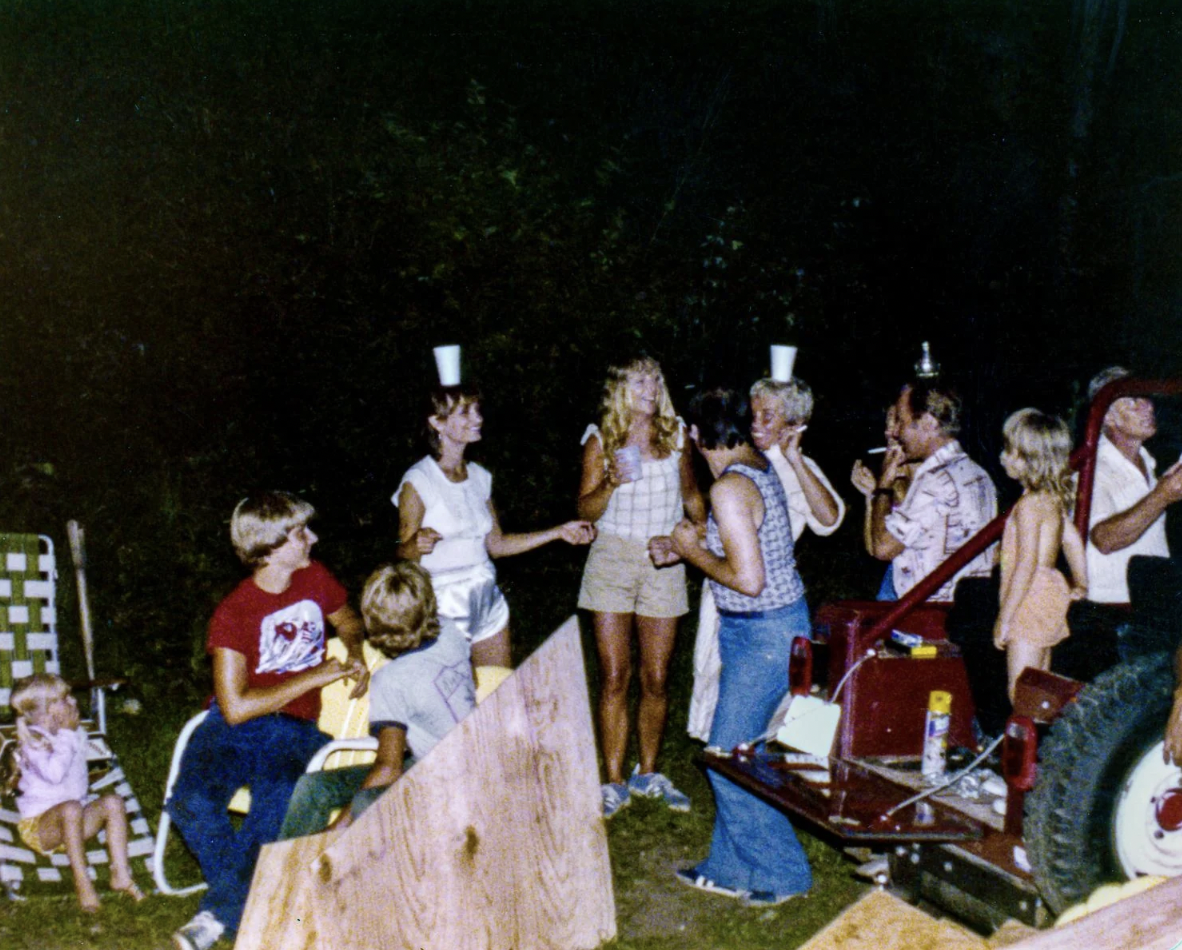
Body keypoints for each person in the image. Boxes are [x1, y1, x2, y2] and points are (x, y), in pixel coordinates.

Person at [169, 492, 369, 950]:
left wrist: (354, 652)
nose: (313, 539)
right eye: (301, 533)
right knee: (191, 801)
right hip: (232, 725)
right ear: (270, 547)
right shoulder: (234, 613)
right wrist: (313, 676)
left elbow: (350, 621)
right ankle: (247, 911)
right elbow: (236, 707)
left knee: (277, 798)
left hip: (293, 729)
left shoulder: (315, 578)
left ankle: (220, 915)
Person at [651, 387, 812, 907]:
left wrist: (692, 551)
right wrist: (681, 552)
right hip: (761, 629)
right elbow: (743, 546)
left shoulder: (729, 488)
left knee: (726, 755)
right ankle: (727, 866)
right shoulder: (753, 465)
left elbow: (747, 579)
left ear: (697, 436)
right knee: (743, 750)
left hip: (765, 631)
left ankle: (784, 873)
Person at [576, 356, 705, 817]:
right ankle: (612, 781)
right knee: (615, 676)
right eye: (638, 380)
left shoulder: (675, 435)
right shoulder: (601, 438)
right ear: (619, 389)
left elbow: (691, 496)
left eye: (654, 378)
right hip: (611, 556)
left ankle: (647, 771)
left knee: (656, 677)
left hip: (664, 558)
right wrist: (609, 482)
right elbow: (586, 511)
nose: (650, 386)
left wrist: (700, 536)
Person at [687, 375, 844, 742]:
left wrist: (796, 458)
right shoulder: (749, 462)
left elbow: (830, 520)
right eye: (752, 413)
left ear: (793, 424)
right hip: (736, 599)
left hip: (762, 602)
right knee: (726, 701)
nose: (755, 423)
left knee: (749, 725)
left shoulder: (779, 468)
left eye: (767, 416)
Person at [394, 382, 594, 669]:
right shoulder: (418, 481)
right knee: (452, 702)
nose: (478, 418)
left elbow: (497, 546)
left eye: (477, 410)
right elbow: (402, 557)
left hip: (487, 600)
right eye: (465, 412)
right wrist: (414, 545)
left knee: (497, 692)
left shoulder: (479, 477)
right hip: (442, 607)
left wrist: (557, 532)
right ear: (437, 422)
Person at [279, 561, 476, 838]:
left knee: (363, 802)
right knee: (315, 788)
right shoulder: (448, 631)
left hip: (444, 779)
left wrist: (332, 835)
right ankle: (290, 867)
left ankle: (310, 862)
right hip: (469, 755)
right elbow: (473, 682)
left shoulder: (391, 681)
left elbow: (388, 767)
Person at [3, 674, 145, 913]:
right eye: (64, 698)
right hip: (41, 828)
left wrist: (71, 734)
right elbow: (55, 775)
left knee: (113, 802)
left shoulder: (73, 733)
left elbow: (77, 774)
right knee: (70, 808)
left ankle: (120, 873)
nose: (73, 701)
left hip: (76, 823)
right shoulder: (32, 742)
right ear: (46, 712)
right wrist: (67, 734)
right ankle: (83, 882)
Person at [851, 380, 997, 602]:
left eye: (902, 421)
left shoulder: (935, 482)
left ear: (928, 423)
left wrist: (883, 487)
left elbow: (882, 547)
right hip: (966, 610)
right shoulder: (979, 474)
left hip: (928, 615)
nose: (896, 431)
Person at [993, 410, 1088, 701]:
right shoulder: (1051, 500)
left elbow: (1026, 564)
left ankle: (1035, 741)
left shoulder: (1029, 506)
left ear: (1029, 459)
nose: (1002, 456)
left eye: (1010, 451)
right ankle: (1048, 740)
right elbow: (1072, 540)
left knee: (1020, 692)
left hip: (1028, 598)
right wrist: (1081, 582)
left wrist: (1005, 619)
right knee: (1039, 685)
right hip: (1050, 591)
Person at [1084, 366, 1182, 605]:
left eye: (1146, 399)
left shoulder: (1148, 462)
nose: (1147, 407)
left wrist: (1164, 490)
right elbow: (1104, 539)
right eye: (1132, 402)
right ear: (1107, 416)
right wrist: (1162, 495)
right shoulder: (1094, 468)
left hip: (1152, 603)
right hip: (1114, 611)